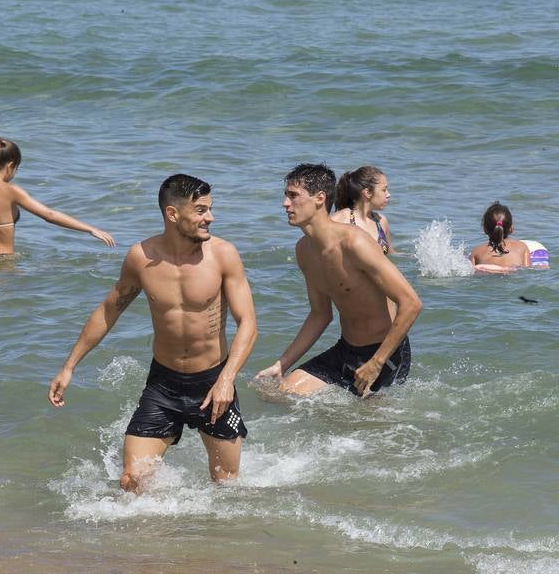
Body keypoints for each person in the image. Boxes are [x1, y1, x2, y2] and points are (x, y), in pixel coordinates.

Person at [48, 173, 257, 492]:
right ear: (173, 214)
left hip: (214, 382)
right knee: (132, 482)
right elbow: (109, 310)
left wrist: (227, 379)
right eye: (201, 210)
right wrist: (69, 366)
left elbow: (249, 323)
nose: (210, 218)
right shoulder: (141, 257)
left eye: (210, 209)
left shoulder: (223, 255)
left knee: (226, 487)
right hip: (164, 385)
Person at [256, 163, 422, 398]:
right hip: (346, 350)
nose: (285, 204)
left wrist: (376, 363)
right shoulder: (304, 249)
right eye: (285, 196)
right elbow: (320, 314)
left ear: (319, 199)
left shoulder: (355, 243)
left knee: (371, 427)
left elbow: (411, 303)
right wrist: (281, 364)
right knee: (279, 394)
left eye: (293, 196)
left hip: (385, 355)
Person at [0, 137, 115, 255]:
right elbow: (50, 215)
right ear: (11, 165)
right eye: (16, 168)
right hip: (3, 265)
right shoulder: (12, 191)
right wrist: (90, 229)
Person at [331, 165, 395, 254]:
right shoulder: (340, 220)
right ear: (367, 192)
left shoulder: (381, 221)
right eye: (384, 190)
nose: (388, 195)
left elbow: (391, 254)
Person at [470, 202, 531, 273]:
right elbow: (527, 270)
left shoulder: (476, 251)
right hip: (512, 276)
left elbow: (471, 272)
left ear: (484, 229)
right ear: (511, 229)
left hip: (486, 277)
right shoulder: (522, 247)